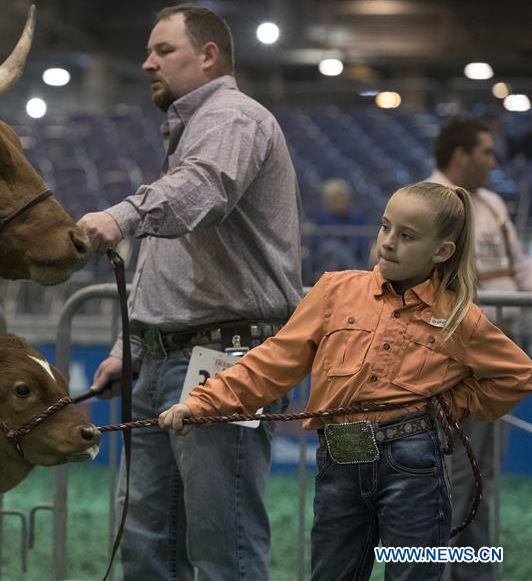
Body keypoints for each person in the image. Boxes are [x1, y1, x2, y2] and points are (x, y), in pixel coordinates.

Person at [160, 181, 532, 581]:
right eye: (385, 227)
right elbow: (272, 362)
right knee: (332, 574)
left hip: (414, 463)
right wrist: (202, 402)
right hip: (340, 458)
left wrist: (449, 406)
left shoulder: (461, 317)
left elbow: (517, 375)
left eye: (406, 236)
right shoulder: (335, 290)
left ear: (442, 252)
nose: (388, 242)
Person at [77, 4, 302, 580]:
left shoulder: (232, 118)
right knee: (150, 545)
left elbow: (205, 191)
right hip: (164, 360)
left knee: (221, 541)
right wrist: (128, 346)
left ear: (208, 56)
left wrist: (124, 214)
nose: (147, 62)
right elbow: (168, 256)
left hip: (226, 358)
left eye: (163, 50)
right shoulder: (194, 132)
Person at [424, 118, 532, 581]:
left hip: (502, 351)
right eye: (485, 152)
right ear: (460, 154)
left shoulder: (489, 203)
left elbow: (519, 267)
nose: (494, 161)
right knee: (456, 472)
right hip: (455, 357)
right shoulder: (427, 201)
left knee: (482, 471)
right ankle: (439, 570)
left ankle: (472, 571)